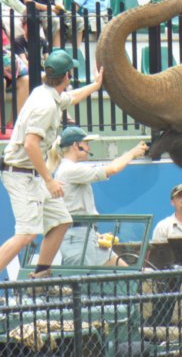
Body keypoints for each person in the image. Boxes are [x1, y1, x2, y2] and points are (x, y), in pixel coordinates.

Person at [0, 49, 103, 278]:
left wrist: (95, 86)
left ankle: (41, 276)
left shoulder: (44, 93)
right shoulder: (45, 105)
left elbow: (71, 98)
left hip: (32, 174)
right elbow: (30, 144)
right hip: (20, 175)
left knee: (61, 221)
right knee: (26, 234)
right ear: (67, 76)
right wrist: (49, 180)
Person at [47, 126, 148, 266]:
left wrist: (94, 233)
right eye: (86, 143)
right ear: (76, 146)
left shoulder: (70, 168)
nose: (89, 147)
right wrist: (132, 153)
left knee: (127, 274)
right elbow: (112, 169)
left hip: (87, 236)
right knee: (83, 286)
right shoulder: (70, 169)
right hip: (77, 240)